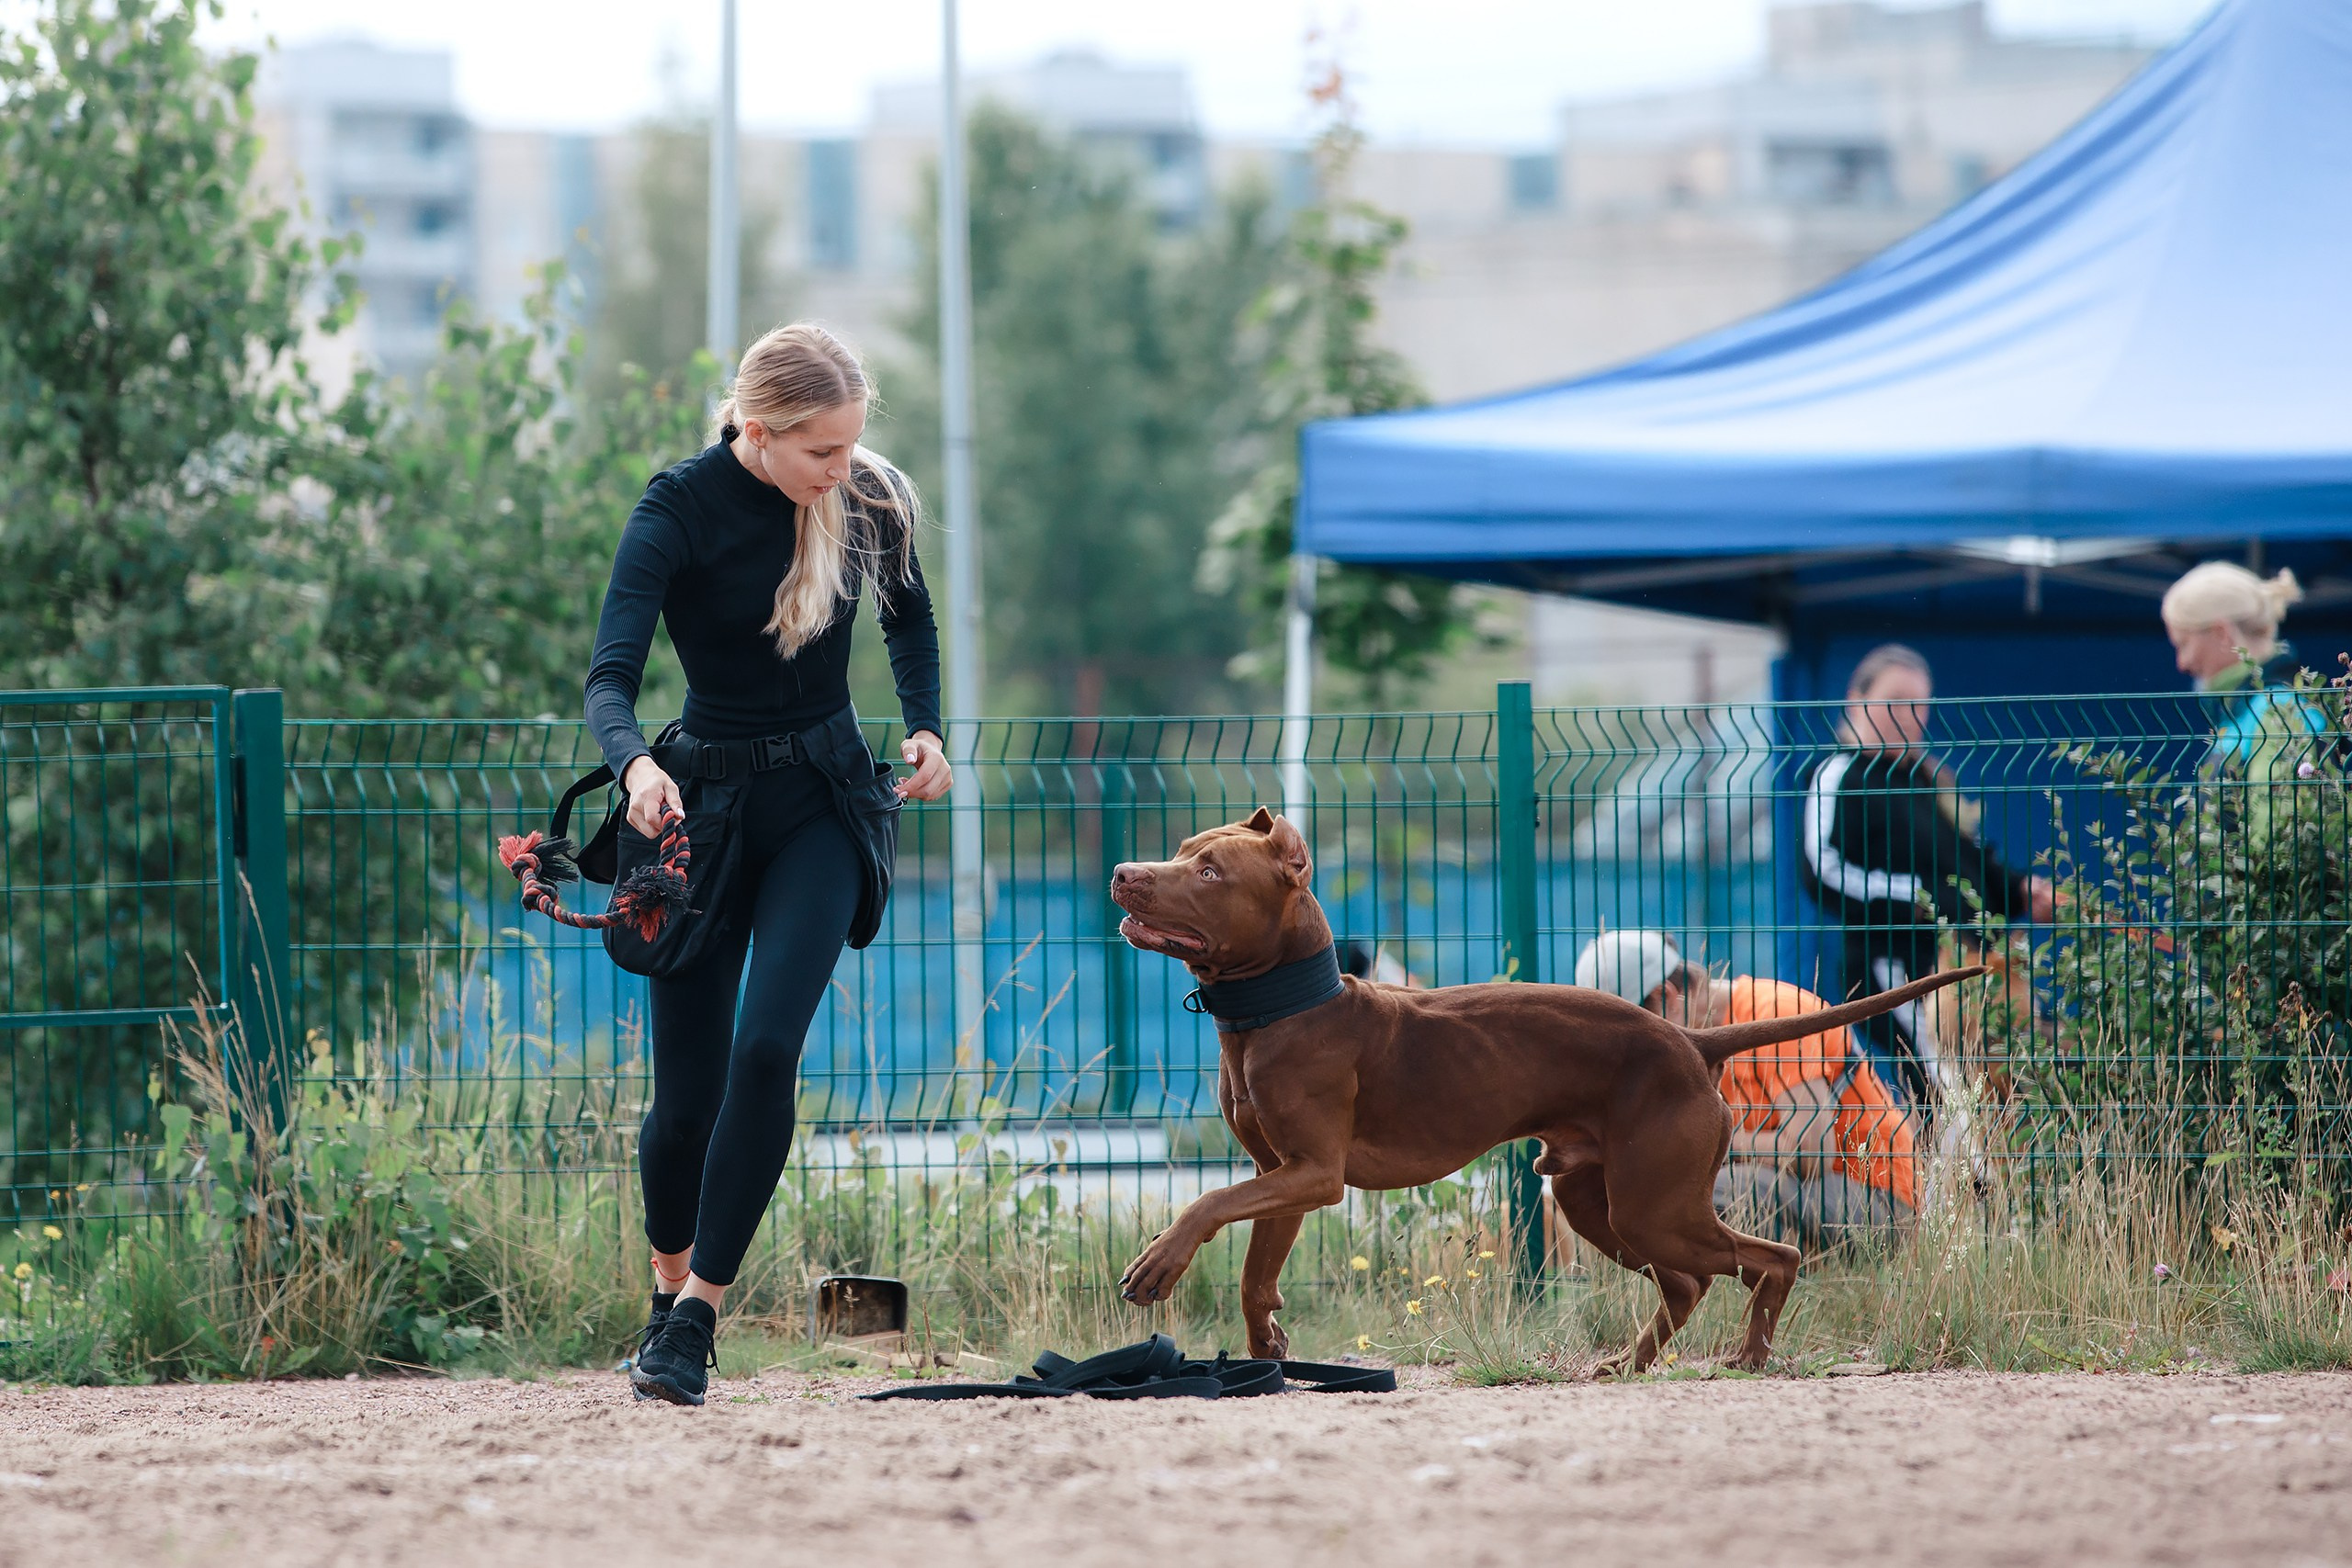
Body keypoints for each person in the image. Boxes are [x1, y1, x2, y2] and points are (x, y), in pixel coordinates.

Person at [586, 322, 952, 1405]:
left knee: (764, 1051)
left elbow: (911, 618)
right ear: (757, 429)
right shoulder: (677, 510)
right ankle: (663, 1295)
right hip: (702, 813)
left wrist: (925, 728)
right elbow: (609, 678)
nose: (845, 470)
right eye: (823, 454)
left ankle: (697, 1315)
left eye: (850, 447)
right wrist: (637, 768)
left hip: (825, 805)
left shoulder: (869, 499)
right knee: (684, 1106)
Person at [1801, 644, 2055, 1107]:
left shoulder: (1927, 781)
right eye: (1895, 700)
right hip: (1893, 962)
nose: (1910, 715)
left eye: (1919, 703)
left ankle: (1981, 1178)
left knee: (1994, 1089)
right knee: (1942, 1086)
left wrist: (2021, 890)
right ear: (1856, 701)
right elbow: (1823, 869)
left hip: (1966, 965)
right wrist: (1920, 900)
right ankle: (1953, 1182)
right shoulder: (1842, 774)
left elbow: (1969, 864)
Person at [1572, 931, 1917, 1249]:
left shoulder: (1777, 1013)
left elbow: (1810, 1155)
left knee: (1715, 1193)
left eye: (1635, 1034)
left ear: (1667, 996)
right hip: (1797, 1200)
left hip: (1877, 1202)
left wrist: (1708, 1139)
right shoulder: (1682, 1053)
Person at [2161, 562, 2327, 778]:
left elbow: (2280, 811)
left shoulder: (2278, 712)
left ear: (2221, 633)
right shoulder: (2252, 709)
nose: (2181, 664)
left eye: (2183, 644)